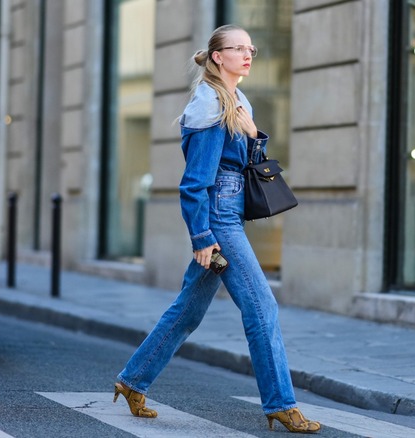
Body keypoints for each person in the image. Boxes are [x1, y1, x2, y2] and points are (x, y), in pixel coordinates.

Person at [112, 24, 321, 434]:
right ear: (216, 57)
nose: (247, 55)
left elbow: (246, 163)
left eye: (251, 49)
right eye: (237, 48)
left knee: (189, 309)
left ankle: (133, 379)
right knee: (262, 308)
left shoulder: (234, 101)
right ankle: (281, 404)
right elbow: (194, 182)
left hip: (228, 213)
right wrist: (202, 236)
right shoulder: (209, 105)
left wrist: (250, 133)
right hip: (220, 220)